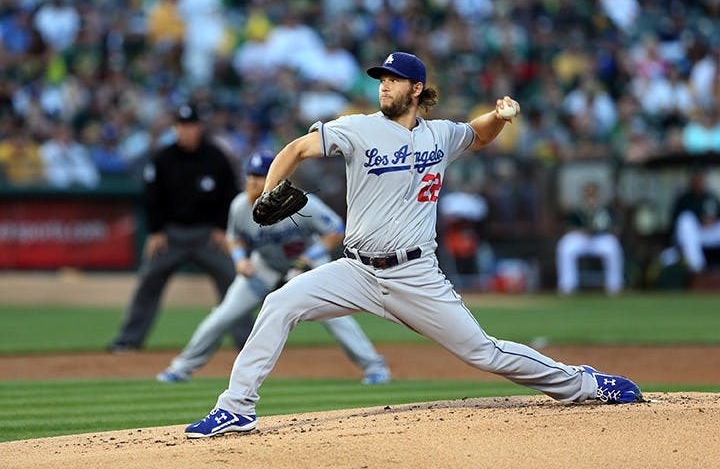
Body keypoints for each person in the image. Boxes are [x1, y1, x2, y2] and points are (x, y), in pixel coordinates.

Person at [185, 51, 643, 438]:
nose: (384, 86)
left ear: (417, 88)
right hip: (357, 271)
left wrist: (500, 118)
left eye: (394, 79)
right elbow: (297, 149)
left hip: (416, 275)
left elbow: (477, 133)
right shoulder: (358, 128)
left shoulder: (440, 135)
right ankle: (237, 407)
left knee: (484, 352)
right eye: (381, 79)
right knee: (280, 302)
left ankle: (584, 384)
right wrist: (269, 191)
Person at [156, 150, 390, 384]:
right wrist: (240, 259)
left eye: (260, 176)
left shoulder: (300, 202)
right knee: (222, 316)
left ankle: (375, 368)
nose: (253, 182)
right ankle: (181, 368)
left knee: (335, 318)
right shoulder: (240, 206)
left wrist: (308, 259)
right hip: (265, 266)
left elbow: (336, 230)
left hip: (304, 265)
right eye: (250, 176)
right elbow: (234, 237)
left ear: (276, 178)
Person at [107, 104, 254, 353]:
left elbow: (231, 196)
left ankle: (248, 342)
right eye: (181, 126)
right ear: (175, 129)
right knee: (148, 283)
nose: (186, 131)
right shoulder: (163, 158)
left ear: (200, 127)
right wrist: (155, 232)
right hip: (171, 235)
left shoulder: (216, 157)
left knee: (234, 282)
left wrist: (222, 228)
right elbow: (151, 198)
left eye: (191, 126)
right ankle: (128, 340)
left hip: (209, 235)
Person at [556, 181, 624, 295]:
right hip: (581, 239)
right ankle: (567, 285)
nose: (590, 197)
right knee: (565, 245)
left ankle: (614, 285)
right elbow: (567, 228)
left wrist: (609, 231)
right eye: (588, 193)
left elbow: (616, 227)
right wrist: (580, 231)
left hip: (600, 239)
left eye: (593, 193)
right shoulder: (577, 210)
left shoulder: (605, 209)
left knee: (613, 246)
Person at [670, 169, 720, 273]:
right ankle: (697, 268)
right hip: (691, 234)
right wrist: (700, 221)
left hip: (709, 234)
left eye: (700, 179)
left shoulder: (711, 197)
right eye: (695, 179)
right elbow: (676, 223)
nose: (698, 182)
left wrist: (711, 221)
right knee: (686, 219)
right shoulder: (684, 199)